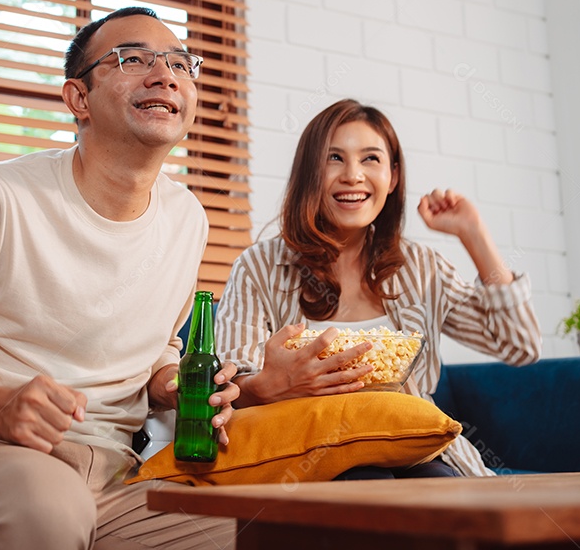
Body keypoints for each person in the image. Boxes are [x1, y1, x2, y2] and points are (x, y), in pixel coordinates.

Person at [0, 7, 238, 549]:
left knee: (262, 529)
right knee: (47, 513)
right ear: (79, 99)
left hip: (114, 477)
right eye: (133, 59)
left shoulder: (188, 218)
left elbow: (158, 350)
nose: (164, 75)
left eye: (178, 62)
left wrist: (181, 387)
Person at [215, 98, 541, 478]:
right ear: (308, 173)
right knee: (368, 483)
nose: (353, 175)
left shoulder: (421, 267)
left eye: (370, 158)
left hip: (416, 450)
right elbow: (229, 387)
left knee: (440, 488)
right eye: (334, 158)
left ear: (394, 176)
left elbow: (522, 347)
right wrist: (269, 385)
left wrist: (475, 236)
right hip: (307, 452)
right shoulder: (258, 268)